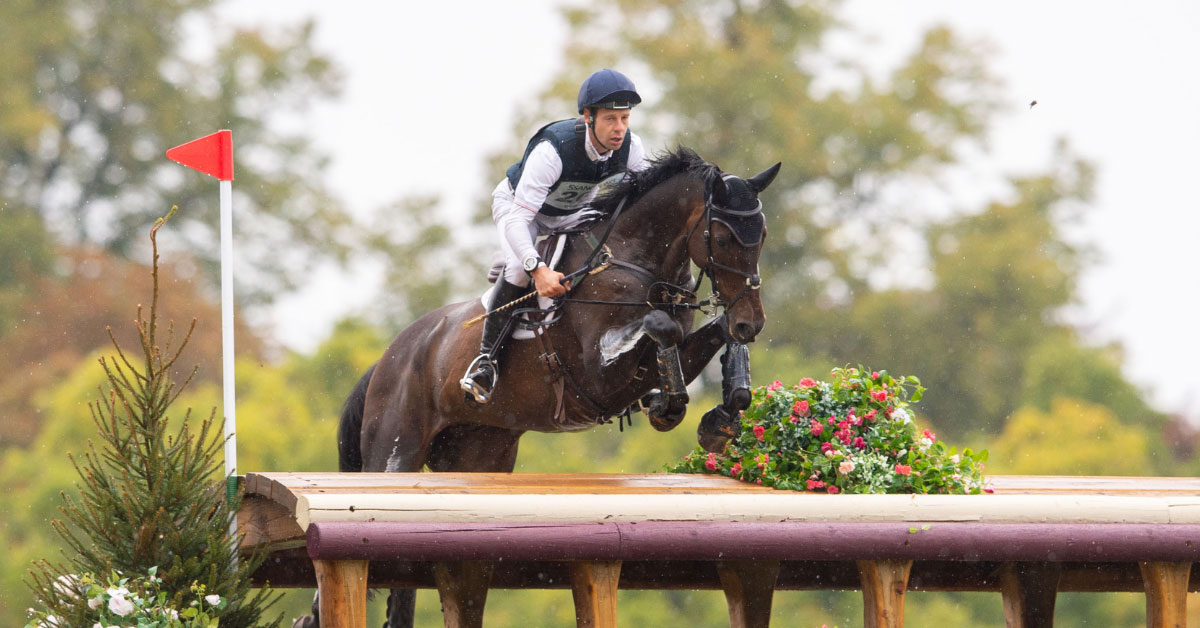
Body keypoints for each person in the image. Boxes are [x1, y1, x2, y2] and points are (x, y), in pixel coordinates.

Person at [460, 69, 650, 405]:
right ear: (587, 117)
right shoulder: (554, 150)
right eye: (610, 119)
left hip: (572, 215)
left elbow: (644, 203)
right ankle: (486, 362)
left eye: (624, 118)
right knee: (520, 269)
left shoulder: (632, 148)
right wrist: (539, 270)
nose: (619, 128)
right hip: (521, 213)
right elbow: (520, 217)